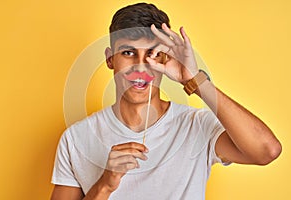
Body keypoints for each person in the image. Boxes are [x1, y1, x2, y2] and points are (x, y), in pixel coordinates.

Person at [50, 3, 282, 200]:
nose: (140, 67)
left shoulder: (196, 126)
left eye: (153, 54)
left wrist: (194, 80)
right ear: (110, 59)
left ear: (166, 59)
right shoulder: (76, 138)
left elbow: (267, 151)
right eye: (128, 53)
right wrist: (105, 185)